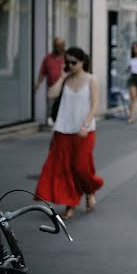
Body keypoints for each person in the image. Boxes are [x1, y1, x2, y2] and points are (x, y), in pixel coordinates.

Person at [35, 47, 103, 220]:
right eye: (67, 62)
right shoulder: (65, 79)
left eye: (74, 62)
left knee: (81, 167)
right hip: (63, 130)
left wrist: (86, 124)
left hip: (84, 131)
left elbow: (95, 105)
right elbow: (51, 94)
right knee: (65, 169)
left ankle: (90, 190)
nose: (70, 65)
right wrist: (63, 77)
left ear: (82, 62)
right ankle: (70, 204)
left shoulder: (91, 79)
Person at [34, 37, 66, 125]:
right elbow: (42, 73)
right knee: (52, 109)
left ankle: (61, 124)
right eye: (57, 46)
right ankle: (54, 122)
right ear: (54, 46)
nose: (60, 48)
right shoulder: (48, 58)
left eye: (61, 45)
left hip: (65, 89)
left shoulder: (67, 58)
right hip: (52, 89)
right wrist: (38, 84)